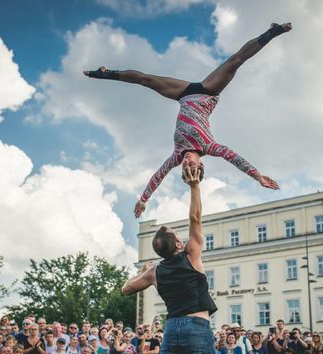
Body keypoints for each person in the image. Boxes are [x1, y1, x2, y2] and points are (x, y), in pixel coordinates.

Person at [84, 23, 293, 217]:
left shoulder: (176, 155)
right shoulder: (210, 146)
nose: (186, 163)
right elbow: (234, 158)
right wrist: (257, 176)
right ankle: (271, 32)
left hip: (183, 95)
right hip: (207, 92)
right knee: (235, 61)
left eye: (185, 168)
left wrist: (144, 199)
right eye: (191, 167)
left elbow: (158, 177)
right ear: (200, 165)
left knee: (145, 80)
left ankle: (106, 73)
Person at [121, 166, 217, 354]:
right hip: (197, 327)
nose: (182, 238)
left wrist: (142, 270)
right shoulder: (191, 254)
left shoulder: (154, 271)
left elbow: (126, 289)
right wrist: (194, 186)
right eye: (177, 235)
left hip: (171, 330)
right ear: (177, 245)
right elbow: (195, 218)